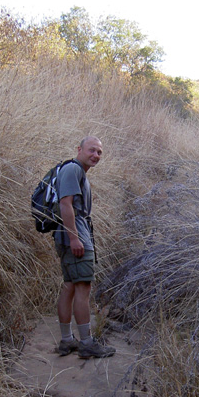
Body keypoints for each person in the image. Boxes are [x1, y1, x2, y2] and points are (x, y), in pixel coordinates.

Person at [54, 136, 115, 359]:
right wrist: (74, 238)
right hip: (74, 237)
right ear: (79, 149)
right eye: (92, 150)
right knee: (83, 288)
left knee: (70, 286)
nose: (96, 155)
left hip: (69, 236)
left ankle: (67, 340)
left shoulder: (76, 171)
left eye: (99, 152)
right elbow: (65, 204)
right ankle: (87, 344)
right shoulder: (73, 169)